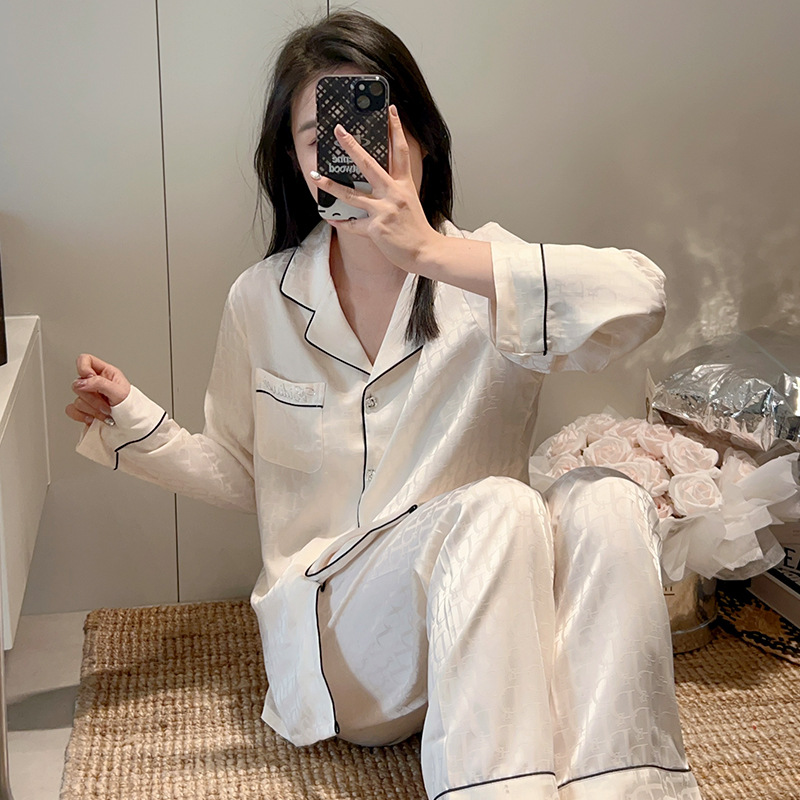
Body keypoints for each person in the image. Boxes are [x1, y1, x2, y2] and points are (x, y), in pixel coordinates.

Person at [66, 10, 702, 800]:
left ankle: (629, 789)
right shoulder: (262, 299)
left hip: (491, 630)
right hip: (347, 642)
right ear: (297, 162)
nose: (353, 154)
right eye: (321, 138)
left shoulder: (484, 273)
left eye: (375, 127)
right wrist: (134, 422)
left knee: (605, 496)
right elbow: (243, 470)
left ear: (421, 138)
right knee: (502, 504)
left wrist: (433, 252)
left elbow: (641, 297)